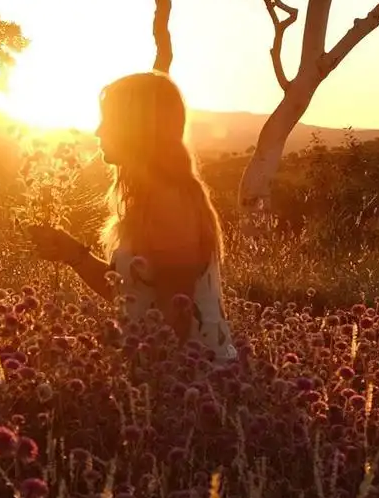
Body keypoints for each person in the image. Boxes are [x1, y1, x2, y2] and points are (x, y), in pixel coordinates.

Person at [27, 71, 238, 368]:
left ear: (136, 128)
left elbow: (176, 311)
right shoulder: (148, 198)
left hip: (194, 379)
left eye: (108, 121)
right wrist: (74, 253)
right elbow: (132, 293)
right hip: (166, 372)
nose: (98, 131)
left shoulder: (170, 201)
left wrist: (149, 383)